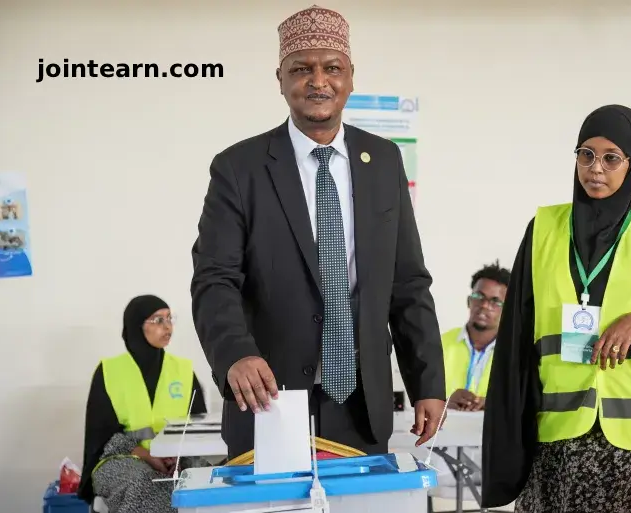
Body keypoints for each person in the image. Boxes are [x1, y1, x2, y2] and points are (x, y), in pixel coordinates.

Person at [190, 4, 446, 460]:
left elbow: (407, 281)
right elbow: (215, 278)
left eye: (332, 68)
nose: (318, 81)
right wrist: (235, 354)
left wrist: (427, 382)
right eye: (301, 69)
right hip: (268, 401)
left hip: (362, 406)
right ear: (281, 79)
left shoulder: (384, 161)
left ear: (350, 76)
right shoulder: (238, 168)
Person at [481, 105, 631, 513]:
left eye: (611, 158)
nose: (596, 168)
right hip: (564, 444)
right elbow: (516, 339)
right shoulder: (543, 228)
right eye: (586, 154)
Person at [78, 295, 208, 513]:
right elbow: (100, 437)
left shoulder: (183, 370)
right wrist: (146, 454)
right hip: (121, 458)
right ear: (137, 325)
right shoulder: (110, 372)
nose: (168, 327)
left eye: (169, 319)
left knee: (206, 479)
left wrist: (176, 455)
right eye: (158, 320)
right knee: (144, 484)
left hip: (176, 459)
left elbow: (197, 426)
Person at [443, 261, 510, 411]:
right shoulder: (439, 344)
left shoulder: (516, 352)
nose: (485, 305)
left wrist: (493, 405)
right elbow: (416, 401)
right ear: (469, 301)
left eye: (495, 302)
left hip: (492, 432)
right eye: (479, 296)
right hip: (444, 431)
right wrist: (444, 403)